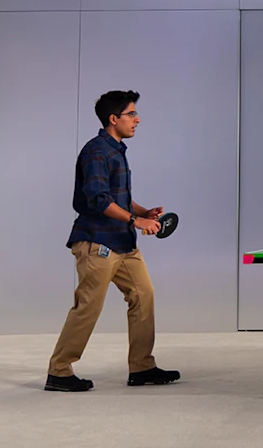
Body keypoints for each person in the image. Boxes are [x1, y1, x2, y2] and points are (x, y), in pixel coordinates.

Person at [45, 90, 180, 392]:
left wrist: (145, 212)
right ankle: (59, 371)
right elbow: (98, 199)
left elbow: (118, 199)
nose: (137, 119)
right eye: (131, 114)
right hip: (97, 243)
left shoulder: (116, 150)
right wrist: (137, 221)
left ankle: (142, 367)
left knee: (143, 294)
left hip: (123, 243)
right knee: (88, 306)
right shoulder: (97, 151)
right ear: (113, 119)